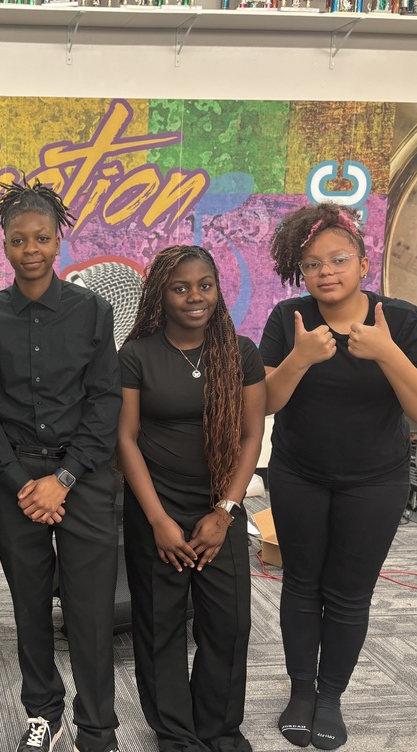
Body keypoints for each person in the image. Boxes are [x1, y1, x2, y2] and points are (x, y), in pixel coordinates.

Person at [261, 203, 417, 750]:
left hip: (375, 482)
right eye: (312, 264)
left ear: (364, 263)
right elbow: (265, 404)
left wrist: (387, 354)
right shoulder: (289, 319)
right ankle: (302, 691)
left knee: (348, 594)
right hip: (299, 474)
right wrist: (300, 358)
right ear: (301, 272)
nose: (326, 271)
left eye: (339, 259)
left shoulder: (403, 322)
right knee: (301, 585)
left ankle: (330, 697)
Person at [0, 178, 122, 752]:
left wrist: (62, 479)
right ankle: (43, 713)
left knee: (89, 610)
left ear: (58, 241)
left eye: (40, 237)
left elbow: (104, 401)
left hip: (81, 479)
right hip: (15, 481)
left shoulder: (93, 311)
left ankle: (97, 726)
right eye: (18, 239)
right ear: (5, 246)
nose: (29, 249)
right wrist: (20, 483)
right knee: (29, 605)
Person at [116, 245, 266, 752]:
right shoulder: (136, 355)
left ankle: (218, 728)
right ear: (161, 294)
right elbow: (126, 439)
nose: (195, 296)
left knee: (229, 624)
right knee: (159, 626)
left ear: (218, 289)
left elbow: (251, 436)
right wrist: (157, 520)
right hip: (156, 507)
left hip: (220, 507)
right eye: (180, 288)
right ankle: (176, 733)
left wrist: (225, 511)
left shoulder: (240, 352)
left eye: (205, 285)